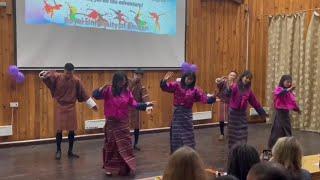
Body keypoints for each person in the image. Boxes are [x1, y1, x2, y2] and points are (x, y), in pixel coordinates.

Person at [92, 71, 153, 176]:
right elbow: (96, 95)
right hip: (111, 123)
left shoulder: (127, 92)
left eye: (124, 81)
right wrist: (100, 90)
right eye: (120, 81)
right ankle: (109, 167)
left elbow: (134, 104)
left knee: (126, 145)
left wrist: (146, 105)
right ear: (115, 81)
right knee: (110, 145)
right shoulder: (108, 90)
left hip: (123, 123)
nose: (122, 83)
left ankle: (125, 166)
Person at [39, 63, 98, 160]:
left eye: (70, 73)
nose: (68, 75)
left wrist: (92, 105)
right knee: (59, 129)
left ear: (73, 72)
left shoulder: (76, 80)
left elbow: (83, 93)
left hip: (71, 107)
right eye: (66, 73)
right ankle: (58, 151)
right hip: (60, 106)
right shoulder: (57, 77)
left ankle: (70, 151)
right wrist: (44, 74)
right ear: (64, 71)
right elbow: (49, 76)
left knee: (72, 130)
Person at [160, 63, 216, 153]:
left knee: (188, 136)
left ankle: (189, 155)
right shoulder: (177, 85)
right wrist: (164, 81)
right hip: (177, 115)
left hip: (187, 116)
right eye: (188, 78)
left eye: (191, 79)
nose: (189, 81)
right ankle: (176, 154)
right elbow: (166, 88)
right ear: (184, 77)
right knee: (177, 136)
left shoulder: (195, 89)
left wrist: (212, 98)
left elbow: (203, 98)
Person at [225, 70, 267, 150]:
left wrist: (262, 113)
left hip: (242, 115)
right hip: (233, 115)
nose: (247, 80)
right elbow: (227, 94)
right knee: (233, 136)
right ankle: (233, 152)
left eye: (249, 79)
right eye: (246, 78)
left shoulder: (249, 90)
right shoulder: (235, 86)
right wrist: (228, 87)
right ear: (242, 77)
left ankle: (242, 151)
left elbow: (255, 102)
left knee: (243, 135)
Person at [268, 75, 300, 149]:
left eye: (290, 82)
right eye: (287, 82)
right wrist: (289, 89)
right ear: (282, 81)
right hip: (280, 113)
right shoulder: (279, 89)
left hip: (286, 113)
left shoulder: (289, 92)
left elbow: (292, 102)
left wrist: (297, 109)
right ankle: (275, 146)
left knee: (287, 129)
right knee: (278, 129)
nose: (289, 83)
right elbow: (280, 94)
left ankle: (287, 146)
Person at [129, 69, 150, 151]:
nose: (137, 76)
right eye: (136, 74)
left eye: (139, 75)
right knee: (125, 126)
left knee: (136, 126)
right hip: (125, 108)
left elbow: (145, 97)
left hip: (135, 108)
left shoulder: (142, 86)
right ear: (133, 74)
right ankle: (125, 144)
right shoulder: (128, 82)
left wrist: (148, 107)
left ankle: (135, 144)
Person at [215, 71, 237, 140]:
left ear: (235, 77)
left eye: (234, 75)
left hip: (231, 103)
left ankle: (230, 133)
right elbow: (218, 84)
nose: (232, 76)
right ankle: (222, 134)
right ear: (228, 75)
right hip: (223, 102)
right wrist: (218, 80)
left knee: (231, 119)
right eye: (231, 75)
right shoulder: (224, 82)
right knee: (221, 119)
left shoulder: (236, 85)